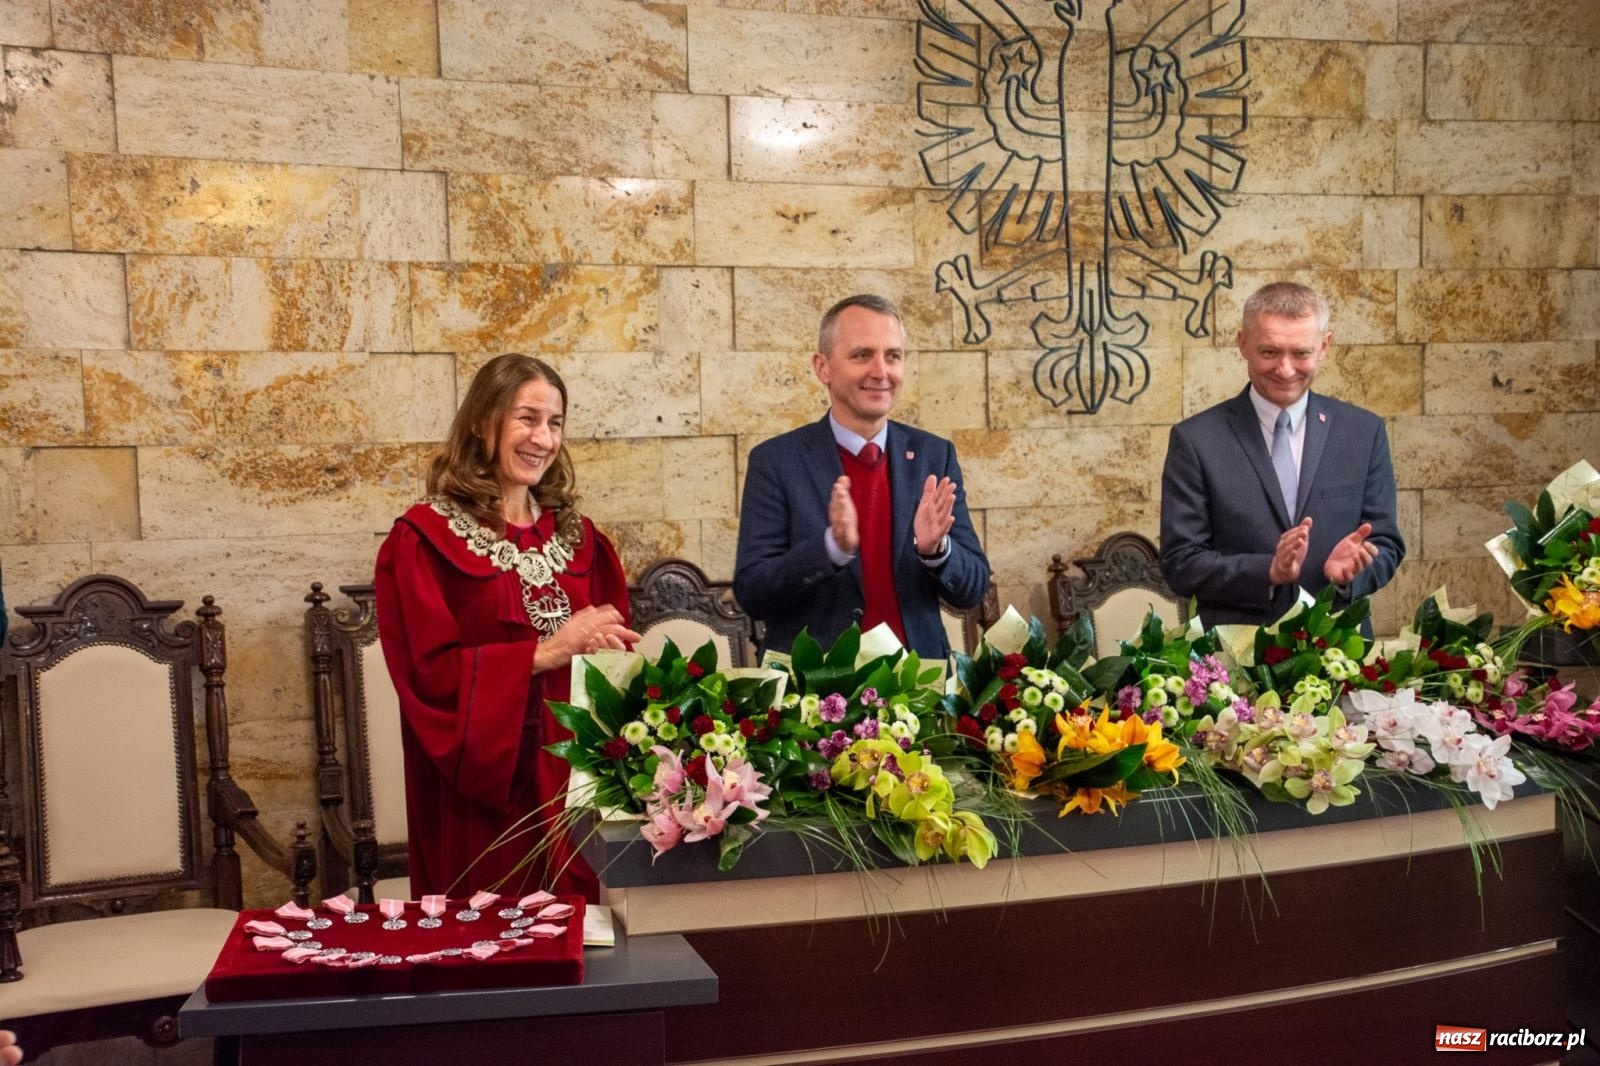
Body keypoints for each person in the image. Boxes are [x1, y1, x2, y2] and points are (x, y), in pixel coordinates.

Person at [375, 354, 639, 903]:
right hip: (485, 793)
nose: (542, 438)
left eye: (555, 423)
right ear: (481, 422)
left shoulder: (584, 540)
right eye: (527, 418)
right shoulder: (423, 541)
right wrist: (543, 654)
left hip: (580, 788)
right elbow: (428, 677)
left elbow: (613, 672)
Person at [734, 294, 991, 659]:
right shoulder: (776, 461)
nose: (881, 371)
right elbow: (753, 594)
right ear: (823, 367)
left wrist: (936, 551)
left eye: (893, 356)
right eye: (862, 355)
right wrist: (830, 549)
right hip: (818, 694)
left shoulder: (935, 455)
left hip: (920, 690)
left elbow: (973, 587)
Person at [1159, 281, 1404, 629]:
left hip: (1339, 653)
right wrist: (1268, 572)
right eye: (1270, 352)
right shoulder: (1196, 440)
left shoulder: (1363, 432)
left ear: (1325, 346)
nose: (1285, 369)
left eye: (1301, 353)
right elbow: (1180, 563)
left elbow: (1387, 543)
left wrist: (1349, 578)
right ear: (1243, 343)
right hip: (1232, 663)